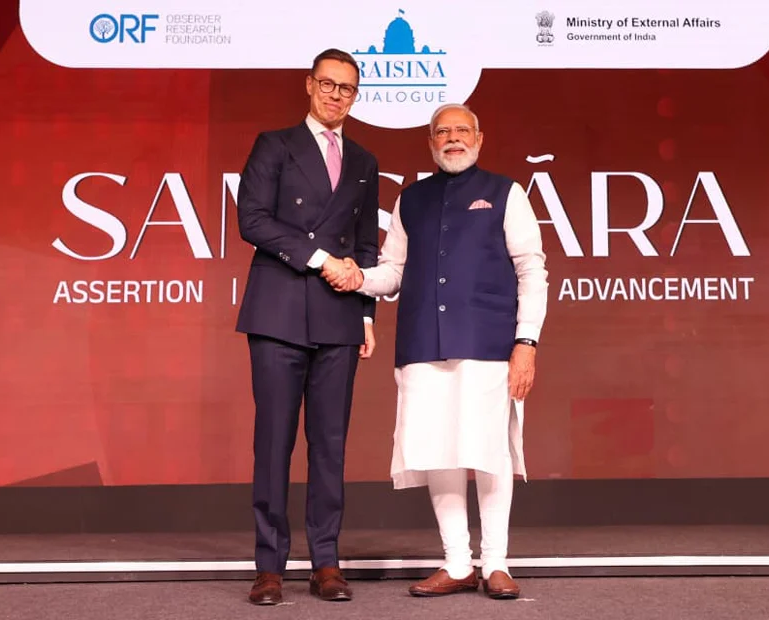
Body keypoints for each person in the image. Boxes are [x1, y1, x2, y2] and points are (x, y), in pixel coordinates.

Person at [323, 103, 548, 599]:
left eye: (462, 130)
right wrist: (357, 278)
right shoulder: (412, 199)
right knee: (438, 450)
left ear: (479, 138)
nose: (452, 138)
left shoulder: (506, 193)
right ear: (430, 143)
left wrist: (526, 342)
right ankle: (458, 562)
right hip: (423, 344)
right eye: (442, 132)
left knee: (489, 452)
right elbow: (393, 271)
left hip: (489, 344)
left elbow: (532, 270)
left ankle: (496, 563)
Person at [235, 48, 379, 605]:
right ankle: (269, 567)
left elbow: (364, 244)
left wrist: (365, 312)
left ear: (355, 96)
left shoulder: (364, 160)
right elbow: (252, 220)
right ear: (309, 85)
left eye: (347, 88)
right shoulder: (274, 144)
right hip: (278, 311)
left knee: (330, 445)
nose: (336, 95)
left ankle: (326, 562)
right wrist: (321, 260)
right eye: (328, 84)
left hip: (340, 314)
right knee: (273, 443)